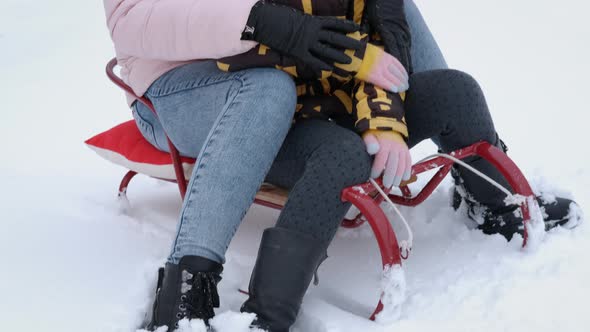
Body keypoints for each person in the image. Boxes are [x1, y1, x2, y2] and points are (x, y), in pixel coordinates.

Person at [103, 1, 580, 332]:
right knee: (272, 91)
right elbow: (133, 19)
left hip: (323, 87)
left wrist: (388, 104)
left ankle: (488, 192)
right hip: (192, 82)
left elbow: (362, 41)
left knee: (425, 59)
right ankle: (192, 282)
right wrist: (267, 22)